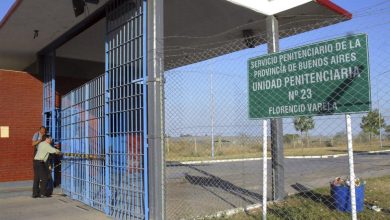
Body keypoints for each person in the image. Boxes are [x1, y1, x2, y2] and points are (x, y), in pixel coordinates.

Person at [32, 126, 46, 198]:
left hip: (43, 157)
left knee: (39, 177)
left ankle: (37, 193)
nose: (43, 131)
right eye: (42, 130)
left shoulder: (46, 136)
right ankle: (37, 193)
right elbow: (33, 144)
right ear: (39, 130)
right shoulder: (36, 134)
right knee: (39, 177)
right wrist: (39, 141)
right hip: (38, 157)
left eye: (44, 130)